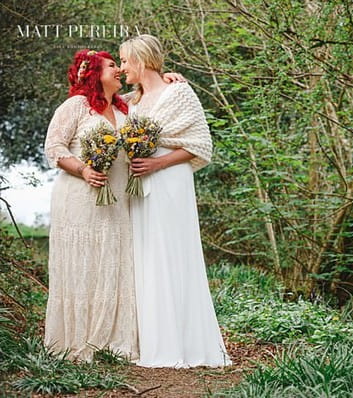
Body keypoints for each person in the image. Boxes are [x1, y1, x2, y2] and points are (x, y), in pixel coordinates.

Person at [44, 49, 183, 361]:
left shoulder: (126, 108)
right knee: (83, 265)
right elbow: (53, 146)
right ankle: (77, 340)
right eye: (112, 66)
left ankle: (110, 341)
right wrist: (83, 169)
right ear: (94, 73)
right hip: (80, 200)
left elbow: (151, 93)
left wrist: (168, 78)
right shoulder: (76, 106)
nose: (119, 70)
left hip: (118, 201)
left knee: (113, 264)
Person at [119, 34, 231, 368]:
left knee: (173, 252)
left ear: (141, 60)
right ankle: (154, 340)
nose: (122, 67)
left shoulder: (178, 91)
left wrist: (157, 163)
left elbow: (199, 144)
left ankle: (188, 343)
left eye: (125, 60)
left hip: (171, 180)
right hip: (141, 184)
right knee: (147, 253)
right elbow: (101, 102)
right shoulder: (130, 102)